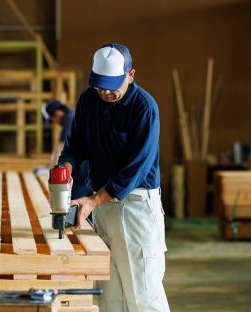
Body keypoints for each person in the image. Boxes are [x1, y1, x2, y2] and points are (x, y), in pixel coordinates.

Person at [58, 43, 170, 311]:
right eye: (100, 87)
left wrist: (94, 200)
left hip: (135, 208)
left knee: (143, 296)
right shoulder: (88, 100)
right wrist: (65, 170)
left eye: (112, 87)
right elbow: (75, 146)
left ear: (131, 75)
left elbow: (135, 169)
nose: (106, 93)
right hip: (102, 207)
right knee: (110, 297)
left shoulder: (144, 108)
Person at [40, 100, 92, 200]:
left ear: (57, 113)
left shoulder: (70, 118)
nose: (54, 123)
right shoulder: (72, 115)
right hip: (86, 165)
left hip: (84, 168)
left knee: (75, 199)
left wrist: (53, 170)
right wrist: (50, 167)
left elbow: (61, 147)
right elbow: (58, 146)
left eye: (52, 120)